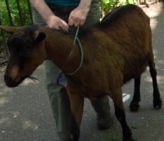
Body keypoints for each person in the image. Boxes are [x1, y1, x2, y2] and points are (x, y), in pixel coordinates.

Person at [30, 0, 113, 140]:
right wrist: (49, 17)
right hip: (47, 8)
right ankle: (65, 135)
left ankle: (103, 112)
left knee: (91, 67)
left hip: (84, 5)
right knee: (56, 76)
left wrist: (84, 6)